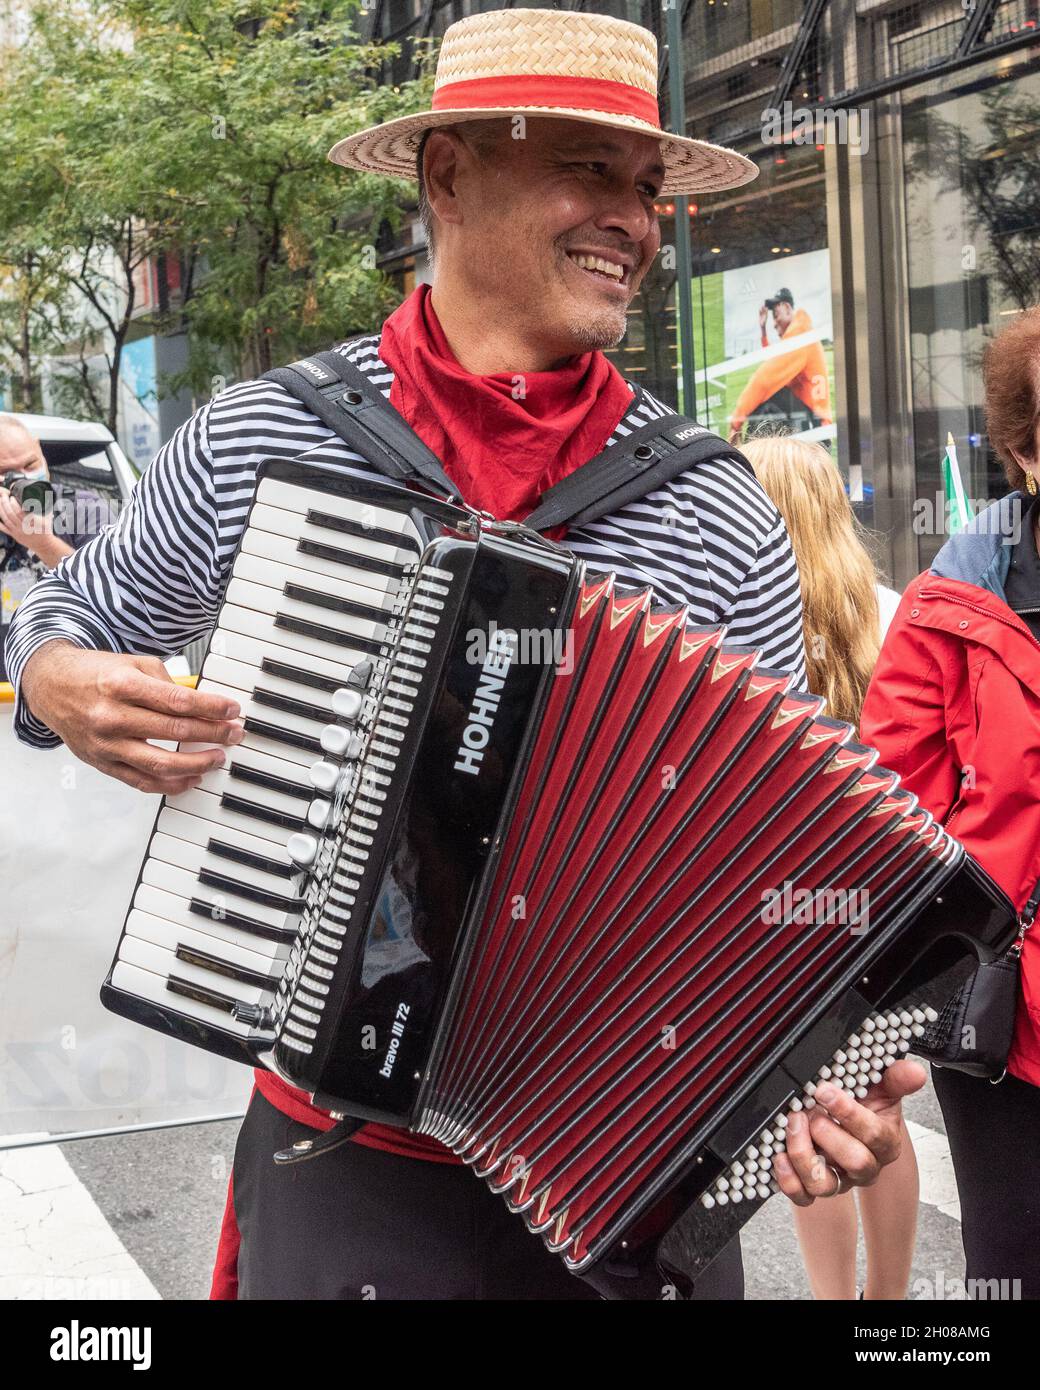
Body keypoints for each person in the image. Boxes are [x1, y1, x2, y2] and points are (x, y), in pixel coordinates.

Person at [6, 8, 923, 1301]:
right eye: (590, 168)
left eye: (649, 186)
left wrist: (816, 1073)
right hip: (345, 1162)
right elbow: (63, 621)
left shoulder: (714, 507)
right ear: (447, 174)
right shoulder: (263, 439)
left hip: (624, 1178)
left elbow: (786, 865)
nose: (634, 218)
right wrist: (50, 676)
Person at [860, 307, 1040, 1302]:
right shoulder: (947, 610)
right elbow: (892, 827)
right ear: (1022, 450)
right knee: (1008, 1271)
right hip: (1011, 1029)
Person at [744, 433, 918, 1300]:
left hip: (785, 912)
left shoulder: (746, 622)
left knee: (807, 1115)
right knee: (880, 1106)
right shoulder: (891, 611)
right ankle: (886, 1311)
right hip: (882, 904)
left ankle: (830, 1303)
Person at [0, 414, 114, 680]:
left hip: (74, 684)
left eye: (31, 464)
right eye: (6, 473)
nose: (24, 479)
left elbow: (108, 592)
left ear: (40, 449)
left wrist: (43, 542)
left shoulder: (84, 509)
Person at [728, 288, 833, 442]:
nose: (774, 324)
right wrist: (763, 330)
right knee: (768, 393)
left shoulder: (800, 334)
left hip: (815, 428)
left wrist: (735, 425)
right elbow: (772, 364)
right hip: (813, 423)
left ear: (788, 308)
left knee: (765, 398)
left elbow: (765, 379)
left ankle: (749, 458)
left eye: (776, 316)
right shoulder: (802, 331)